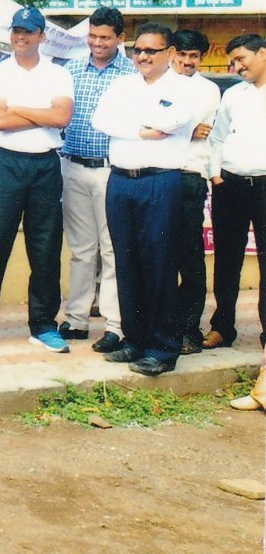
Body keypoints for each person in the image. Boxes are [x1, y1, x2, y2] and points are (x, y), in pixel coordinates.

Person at [91, 22, 201, 375]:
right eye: (138, 50)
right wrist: (141, 130)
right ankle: (134, 340)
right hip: (122, 181)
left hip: (160, 182)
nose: (142, 56)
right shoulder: (122, 85)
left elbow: (172, 121)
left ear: (170, 53)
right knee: (127, 262)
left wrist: (129, 122)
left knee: (159, 264)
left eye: (151, 50)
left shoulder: (184, 89)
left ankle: (163, 348)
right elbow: (100, 120)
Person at [0, 6, 74, 352]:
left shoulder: (58, 74)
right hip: (7, 163)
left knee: (45, 248)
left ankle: (43, 325)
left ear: (42, 35)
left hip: (45, 164)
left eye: (28, 31)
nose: (20, 37)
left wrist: (19, 108)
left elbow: (62, 117)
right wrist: (42, 114)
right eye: (16, 31)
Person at [59, 5, 136, 351]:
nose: (97, 43)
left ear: (120, 38)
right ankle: (76, 319)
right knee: (81, 250)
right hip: (73, 166)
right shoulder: (72, 69)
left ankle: (115, 325)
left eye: (105, 37)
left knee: (112, 249)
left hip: (111, 170)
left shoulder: (132, 74)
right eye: (92, 36)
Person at [206, 33, 266, 351]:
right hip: (230, 186)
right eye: (233, 61)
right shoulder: (232, 95)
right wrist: (216, 175)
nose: (237, 66)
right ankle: (222, 327)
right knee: (227, 260)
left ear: (263, 54)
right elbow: (217, 138)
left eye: (242, 58)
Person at [167, 29, 221, 355]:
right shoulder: (157, 83)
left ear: (201, 58)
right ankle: (159, 328)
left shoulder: (208, 90)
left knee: (190, 258)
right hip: (158, 175)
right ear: (172, 52)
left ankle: (189, 329)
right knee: (158, 255)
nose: (187, 62)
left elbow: (196, 127)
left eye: (194, 56)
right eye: (182, 54)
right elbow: (175, 127)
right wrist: (183, 131)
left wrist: (170, 129)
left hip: (190, 177)